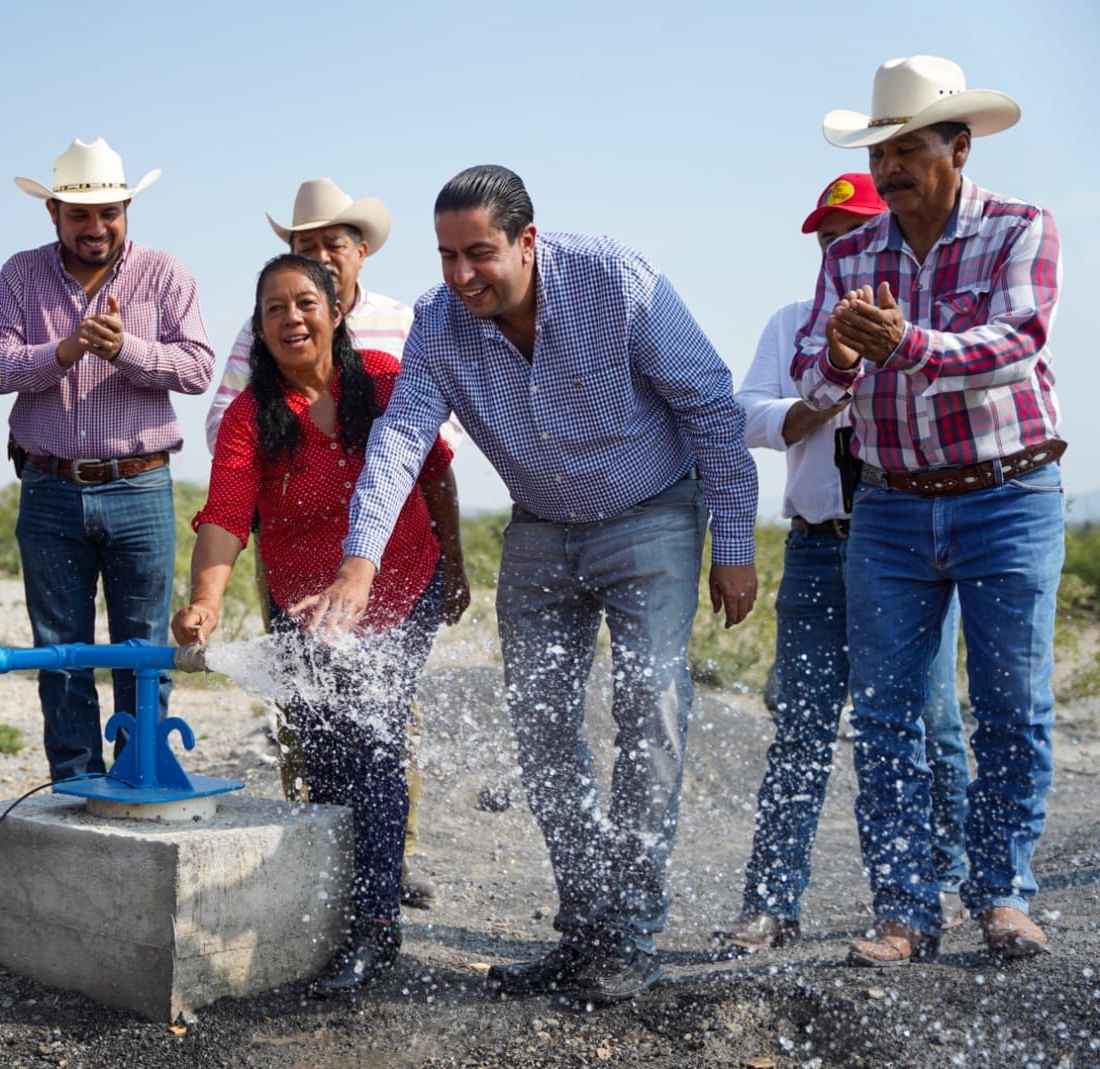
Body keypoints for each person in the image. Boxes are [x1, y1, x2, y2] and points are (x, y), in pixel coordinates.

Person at [299, 165, 758, 1003]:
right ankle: (585, 930)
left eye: (479, 253)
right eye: (446, 256)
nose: (461, 275)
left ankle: (631, 936)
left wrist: (733, 539)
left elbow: (708, 402)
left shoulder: (615, 280)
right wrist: (359, 563)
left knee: (648, 708)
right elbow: (401, 438)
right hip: (540, 527)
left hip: (651, 515)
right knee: (541, 727)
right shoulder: (440, 321)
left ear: (527, 241)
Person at [793, 56, 1064, 967]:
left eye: (909, 148)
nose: (891, 166)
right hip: (892, 504)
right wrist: (840, 356)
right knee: (885, 716)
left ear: (960, 147)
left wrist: (905, 343)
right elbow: (812, 383)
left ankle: (1003, 895)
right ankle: (904, 911)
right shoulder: (849, 256)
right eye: (882, 151)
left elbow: (1016, 344)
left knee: (1011, 708)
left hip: (1008, 494)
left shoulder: (1020, 228)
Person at [172, 254, 465, 996]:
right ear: (259, 327)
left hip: (401, 585)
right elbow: (226, 515)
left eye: (306, 302)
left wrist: (457, 561)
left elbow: (434, 473)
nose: (292, 318)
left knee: (372, 733)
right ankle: (336, 906)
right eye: (274, 308)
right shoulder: (250, 417)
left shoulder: (386, 380)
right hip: (305, 608)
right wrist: (205, 601)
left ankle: (375, 926)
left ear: (336, 311)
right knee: (326, 758)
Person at [715, 172, 971, 954]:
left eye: (851, 234)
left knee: (932, 723)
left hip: (909, 544)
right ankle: (771, 902)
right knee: (801, 726)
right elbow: (745, 412)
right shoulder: (793, 321)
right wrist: (809, 405)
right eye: (828, 239)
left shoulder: (925, 320)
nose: (839, 250)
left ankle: (943, 882)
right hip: (819, 544)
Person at [0, 138, 214, 782]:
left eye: (108, 212)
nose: (96, 226)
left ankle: (140, 776)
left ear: (127, 208)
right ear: (52, 212)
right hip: (49, 487)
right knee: (60, 652)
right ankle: (75, 786)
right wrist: (63, 351)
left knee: (143, 649)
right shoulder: (19, 275)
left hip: (140, 486)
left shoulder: (166, 274)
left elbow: (198, 369)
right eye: (80, 214)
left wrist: (124, 349)